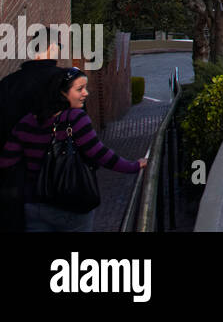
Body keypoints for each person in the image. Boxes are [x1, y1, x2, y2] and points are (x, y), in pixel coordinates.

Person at [0, 67, 146, 232]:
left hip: (34, 206)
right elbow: (100, 154)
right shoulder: (75, 118)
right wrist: (133, 166)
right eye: (79, 89)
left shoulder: (26, 122)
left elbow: (7, 161)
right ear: (62, 93)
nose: (86, 93)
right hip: (71, 204)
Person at [0, 43, 64, 231]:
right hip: (60, 180)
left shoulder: (8, 84)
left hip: (16, 185)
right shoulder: (65, 81)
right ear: (51, 47)